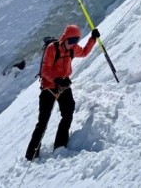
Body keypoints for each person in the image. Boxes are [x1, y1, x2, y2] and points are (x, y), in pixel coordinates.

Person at [25, 24, 99, 160]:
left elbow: (83, 52)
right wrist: (56, 79)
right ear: (64, 38)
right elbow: (45, 70)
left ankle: (60, 145)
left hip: (63, 85)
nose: (73, 44)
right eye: (71, 41)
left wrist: (92, 39)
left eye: (75, 41)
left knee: (68, 112)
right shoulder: (52, 49)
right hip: (49, 87)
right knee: (43, 121)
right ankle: (31, 154)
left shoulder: (72, 49)